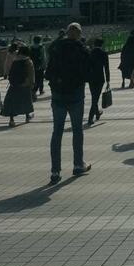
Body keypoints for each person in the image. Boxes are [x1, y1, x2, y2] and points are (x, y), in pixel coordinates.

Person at [45, 22, 92, 183]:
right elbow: (88, 71)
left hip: (58, 94)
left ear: (66, 33)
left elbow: (48, 72)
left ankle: (55, 171)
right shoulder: (82, 49)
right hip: (76, 94)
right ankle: (78, 164)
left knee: (57, 132)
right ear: (79, 34)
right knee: (77, 130)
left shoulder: (56, 48)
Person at [1, 44, 35, 126]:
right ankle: (27, 116)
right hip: (25, 84)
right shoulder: (28, 61)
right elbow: (31, 73)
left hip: (14, 84)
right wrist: (32, 83)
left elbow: (10, 71)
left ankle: (11, 120)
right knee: (26, 101)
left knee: (12, 102)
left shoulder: (15, 60)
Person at [87, 37, 110, 125]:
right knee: (95, 98)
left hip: (91, 78)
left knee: (94, 96)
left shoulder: (90, 53)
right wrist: (108, 80)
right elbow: (106, 68)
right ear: (102, 45)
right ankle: (90, 118)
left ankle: (97, 113)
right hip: (100, 79)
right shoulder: (103, 54)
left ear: (94, 44)